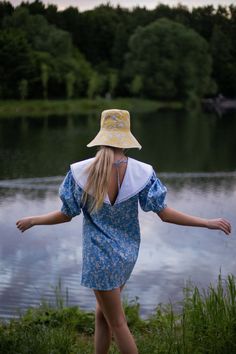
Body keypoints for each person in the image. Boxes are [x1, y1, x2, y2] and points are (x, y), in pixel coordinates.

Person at [16, 109, 231, 354]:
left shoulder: (82, 172)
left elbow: (66, 215)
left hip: (100, 258)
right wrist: (206, 222)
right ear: (126, 139)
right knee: (103, 314)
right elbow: (165, 213)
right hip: (126, 255)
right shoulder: (142, 173)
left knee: (118, 322)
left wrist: (34, 220)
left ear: (101, 135)